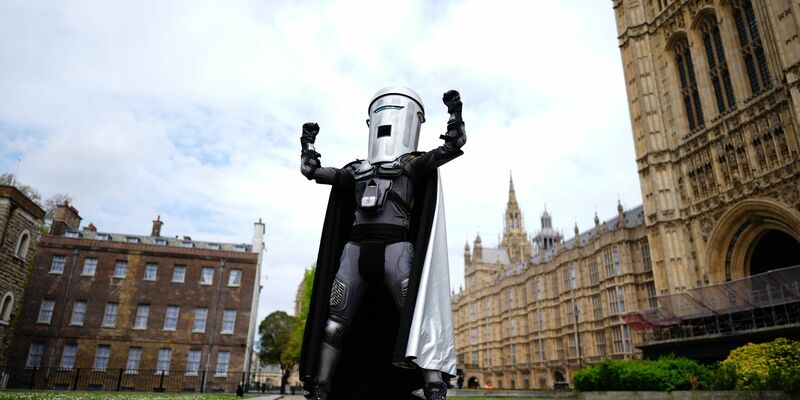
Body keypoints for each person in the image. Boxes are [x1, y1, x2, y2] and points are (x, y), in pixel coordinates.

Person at [298, 87, 466, 400]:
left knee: (415, 319)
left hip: (396, 251)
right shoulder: (355, 170)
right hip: (356, 252)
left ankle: (433, 385)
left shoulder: (411, 165)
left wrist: (455, 113)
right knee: (334, 326)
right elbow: (312, 172)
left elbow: (453, 146)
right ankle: (321, 386)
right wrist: (308, 145)